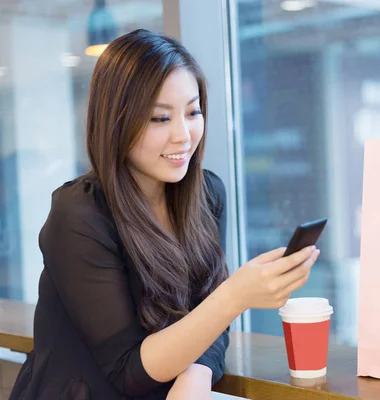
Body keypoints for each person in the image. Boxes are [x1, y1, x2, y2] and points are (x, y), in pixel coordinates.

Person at [10, 29, 319, 400]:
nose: (184, 136)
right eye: (160, 118)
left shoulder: (207, 194)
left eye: (193, 112)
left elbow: (206, 319)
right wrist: (234, 296)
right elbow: (128, 372)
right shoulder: (79, 214)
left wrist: (198, 371)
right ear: (117, 122)